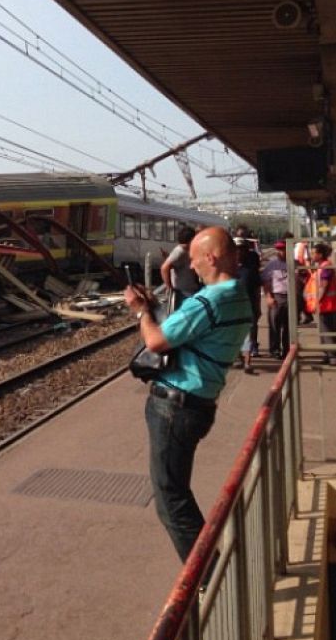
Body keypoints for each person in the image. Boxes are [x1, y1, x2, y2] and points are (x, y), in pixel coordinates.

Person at [124, 227, 252, 562]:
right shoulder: (239, 295)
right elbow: (186, 330)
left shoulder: (211, 300)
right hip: (198, 404)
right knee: (175, 492)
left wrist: (140, 311)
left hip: (176, 409)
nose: (191, 268)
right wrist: (156, 310)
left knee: (171, 498)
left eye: (194, 261)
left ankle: (208, 581)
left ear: (211, 258)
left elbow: (156, 342)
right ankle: (210, 575)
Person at [304, 242, 336, 366]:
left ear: (320, 254)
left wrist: (317, 302)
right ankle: (328, 355)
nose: (311, 255)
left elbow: (324, 286)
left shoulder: (326, 267)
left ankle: (332, 357)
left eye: (313, 253)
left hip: (327, 305)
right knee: (324, 331)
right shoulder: (321, 266)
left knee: (327, 331)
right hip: (324, 305)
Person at [234, 238, 261, 374]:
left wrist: (258, 305)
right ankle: (239, 358)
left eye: (242, 249)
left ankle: (247, 362)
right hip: (232, 307)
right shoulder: (228, 267)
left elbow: (256, 287)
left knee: (248, 333)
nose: (240, 252)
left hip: (248, 305)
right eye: (237, 249)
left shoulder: (251, 269)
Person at [262, 240, 290, 359]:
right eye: (279, 249)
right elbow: (266, 282)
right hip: (276, 297)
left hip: (290, 297)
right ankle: (275, 350)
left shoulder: (294, 263)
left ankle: (287, 350)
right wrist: (269, 297)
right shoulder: (271, 265)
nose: (281, 252)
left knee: (288, 326)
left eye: (283, 249)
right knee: (274, 325)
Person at [160, 225, 199, 310]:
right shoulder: (179, 251)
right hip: (184, 293)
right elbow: (164, 268)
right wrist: (169, 286)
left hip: (189, 291)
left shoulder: (185, 251)